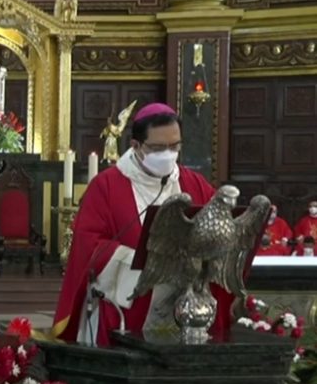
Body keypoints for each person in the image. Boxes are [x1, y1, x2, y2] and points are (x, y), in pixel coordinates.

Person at [51, 103, 233, 346]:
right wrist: (140, 260)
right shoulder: (106, 186)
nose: (168, 154)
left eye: (175, 146)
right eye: (158, 148)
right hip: (127, 311)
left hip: (187, 309)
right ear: (136, 146)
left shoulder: (195, 184)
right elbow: (88, 245)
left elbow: (221, 231)